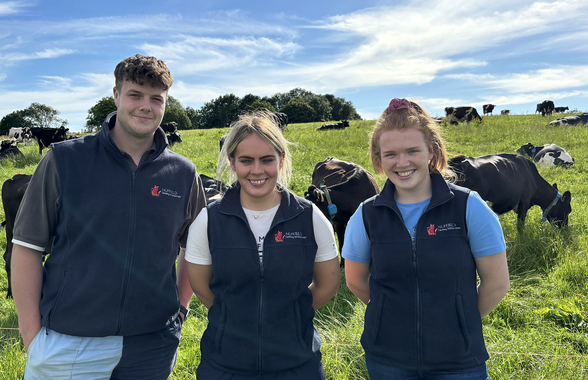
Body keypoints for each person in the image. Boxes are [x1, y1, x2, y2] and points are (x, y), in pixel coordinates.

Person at [10, 54, 206, 379]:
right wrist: (32, 336)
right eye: (135, 95)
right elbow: (27, 247)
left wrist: (180, 310)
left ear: (165, 103)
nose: (146, 106)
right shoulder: (64, 159)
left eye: (156, 99)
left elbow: (194, 248)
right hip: (69, 343)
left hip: (151, 346)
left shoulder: (183, 173)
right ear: (116, 96)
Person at [343, 98, 510, 380]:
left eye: (412, 151)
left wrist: (458, 322)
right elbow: (355, 281)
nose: (402, 162)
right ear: (379, 158)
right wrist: (391, 317)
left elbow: (496, 283)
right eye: (391, 154)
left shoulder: (470, 207)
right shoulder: (366, 214)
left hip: (458, 360)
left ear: (431, 152)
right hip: (387, 360)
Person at [185, 112, 341, 380]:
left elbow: (328, 285)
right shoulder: (208, 220)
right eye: (246, 160)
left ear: (280, 160)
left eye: (267, 160)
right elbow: (201, 286)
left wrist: (289, 316)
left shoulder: (310, 217)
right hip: (224, 366)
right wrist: (233, 317)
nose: (257, 170)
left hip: (297, 365)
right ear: (232, 162)